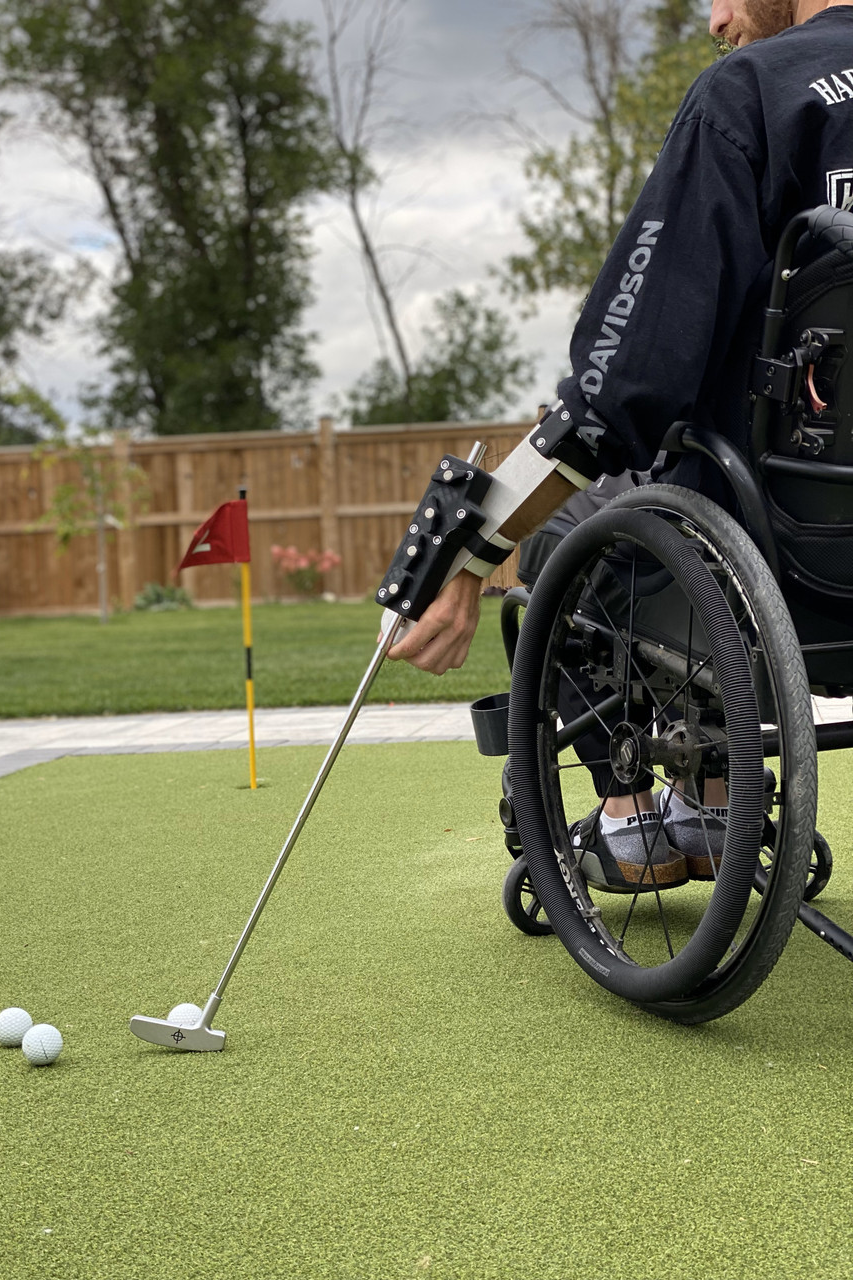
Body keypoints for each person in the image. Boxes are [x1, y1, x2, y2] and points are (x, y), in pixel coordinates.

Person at [387, 0, 853, 887]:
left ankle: (632, 819)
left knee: (577, 537)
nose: (715, 20)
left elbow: (621, 387)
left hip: (784, 555)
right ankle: (712, 793)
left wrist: (474, 548)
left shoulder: (749, 96)